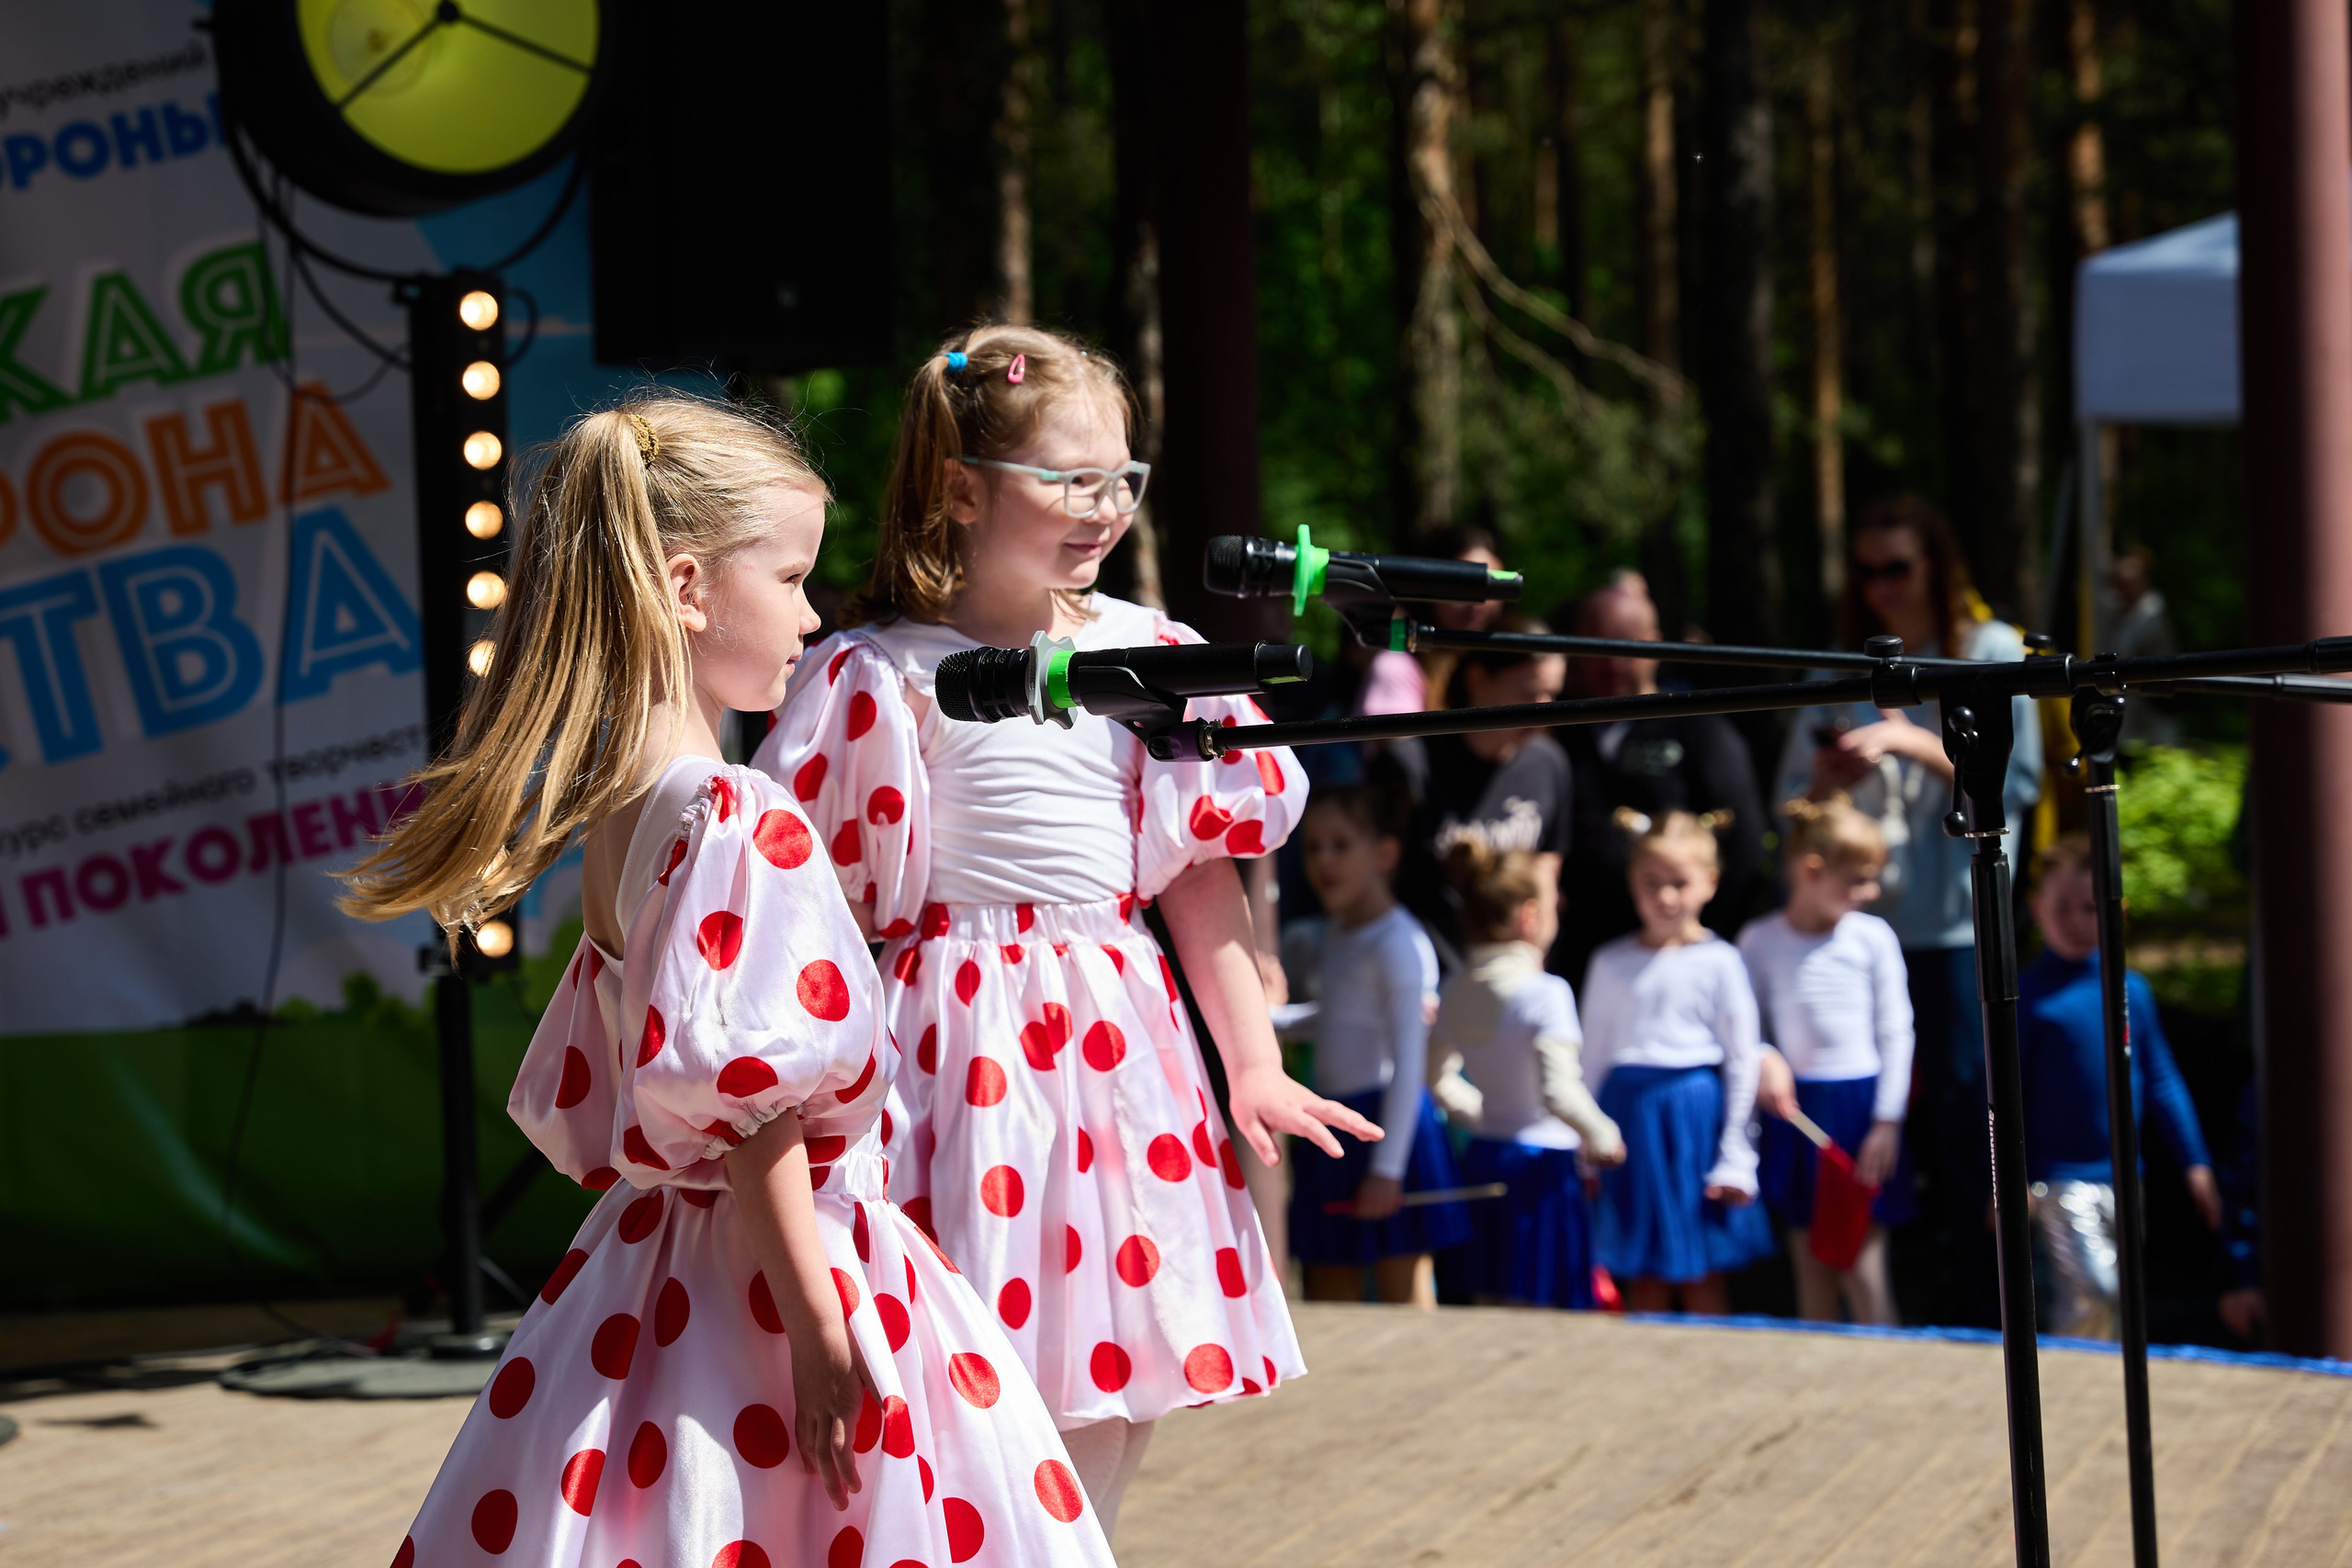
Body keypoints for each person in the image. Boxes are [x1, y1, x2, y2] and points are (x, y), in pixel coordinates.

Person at [344, 397, 1115, 1567]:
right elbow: (752, 1100)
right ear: (688, 587)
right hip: (779, 1271)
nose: (811, 611)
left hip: (650, 1272)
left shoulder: (624, 811)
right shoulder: (733, 811)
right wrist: (816, 1322)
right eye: (792, 576)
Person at [756, 325, 1374, 1534]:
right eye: (1071, 478)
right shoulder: (882, 671)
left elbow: (1198, 878)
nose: (1105, 507)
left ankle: (1071, 1544)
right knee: (970, 1349)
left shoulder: (1147, 656)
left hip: (1119, 1036)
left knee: (1116, 1364)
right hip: (958, 1044)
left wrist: (1252, 1061)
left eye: (1121, 477)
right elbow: (813, 898)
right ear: (961, 489)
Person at [1772, 495, 2041, 1327]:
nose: (1881, 586)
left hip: (1957, 935)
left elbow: (2019, 786)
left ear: (1938, 567)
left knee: (1969, 1127)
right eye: (1866, 571)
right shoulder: (1840, 668)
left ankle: (1988, 1314)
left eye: (1898, 567)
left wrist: (1911, 742)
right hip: (1855, 936)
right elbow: (1788, 801)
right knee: (1873, 1135)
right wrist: (1827, 782)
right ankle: (1898, 1315)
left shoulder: (1992, 652)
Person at [1272, 786, 1470, 1305]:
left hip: (1388, 1126)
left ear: (1384, 853)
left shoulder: (1399, 942)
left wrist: (1388, 1168)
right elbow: (1339, 1019)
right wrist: (1263, 1017)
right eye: (1313, 847)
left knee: (1405, 1295)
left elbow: (1409, 1063)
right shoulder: (1341, 933)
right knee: (1329, 1285)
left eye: (1341, 845)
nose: (1323, 861)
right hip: (1339, 1125)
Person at [2019, 833, 2219, 1339]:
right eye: (2062, 908)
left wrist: (2195, 1161)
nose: (2076, 920)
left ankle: (2091, 1378)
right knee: (2096, 1288)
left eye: (2090, 907)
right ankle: (2073, 1376)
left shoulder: (2132, 990)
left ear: (2116, 910)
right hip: (2058, 1180)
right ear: (2037, 910)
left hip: (2126, 1177)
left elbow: (2162, 1079)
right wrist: (2005, 1178)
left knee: (2113, 1298)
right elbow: (2005, 1095)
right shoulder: (2026, 998)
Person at [1581, 809, 1773, 1314]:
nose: (1665, 897)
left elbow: (1742, 1060)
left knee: (1700, 1270)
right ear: (1631, 883)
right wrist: (1584, 1139)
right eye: (1651, 882)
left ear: (1709, 882)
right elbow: (1591, 1057)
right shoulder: (1609, 962)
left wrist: (1736, 1152)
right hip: (1628, 1124)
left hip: (1694, 1122)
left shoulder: (1722, 962)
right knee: (1643, 1271)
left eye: (1679, 883)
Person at [1739, 796, 1916, 1325]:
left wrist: (1887, 1121)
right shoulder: (1759, 940)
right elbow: (1745, 1028)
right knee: (1811, 1270)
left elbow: (1896, 1030)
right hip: (1799, 1113)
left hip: (1861, 1111)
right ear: (1812, 871)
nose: (1871, 892)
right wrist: (1765, 1058)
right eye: (1858, 880)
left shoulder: (1873, 938)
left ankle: (1889, 1365)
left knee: (1864, 1270)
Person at [1430, 839, 1625, 1308]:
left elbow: (1435, 1079)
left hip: (1484, 1157)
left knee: (1492, 1305)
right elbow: (1558, 1093)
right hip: (1542, 1170)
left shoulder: (1454, 990)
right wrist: (1603, 1136)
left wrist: (1484, 1117)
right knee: (1548, 1313)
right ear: (1529, 915)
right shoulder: (1546, 993)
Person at [1556, 576, 1766, 986]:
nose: (1610, 662)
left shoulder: (1695, 726)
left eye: (1625, 646)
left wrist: (1703, 934)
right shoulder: (1557, 731)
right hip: (1580, 960)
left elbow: (1744, 843)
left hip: (1679, 958)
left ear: (1654, 644)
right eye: (1595, 646)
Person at [1372, 616, 1574, 966]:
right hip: (1423, 967)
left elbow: (1545, 868)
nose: (1543, 710)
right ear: (1478, 679)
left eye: (1551, 695)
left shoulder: (1548, 763)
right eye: (1529, 694)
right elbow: (1378, 879)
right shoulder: (1409, 765)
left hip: (1516, 966)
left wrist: (1534, 955)